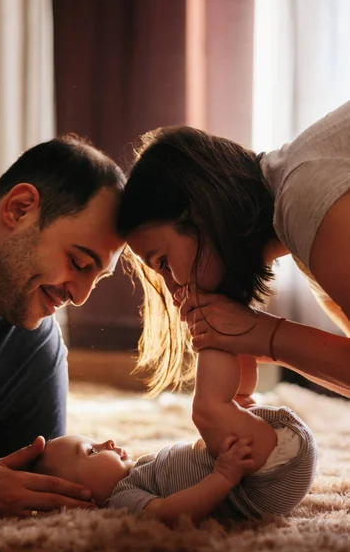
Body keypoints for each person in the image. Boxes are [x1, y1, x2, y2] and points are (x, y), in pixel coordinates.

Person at [0, 134, 126, 519]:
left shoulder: (34, 356)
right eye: (78, 262)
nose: (81, 295)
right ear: (20, 209)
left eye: (96, 279)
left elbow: (42, 490)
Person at [116, 100, 350, 412]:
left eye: (163, 263)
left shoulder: (305, 197)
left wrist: (263, 334)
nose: (174, 294)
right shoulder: (302, 216)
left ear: (199, 210)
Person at [30, 347, 317, 525]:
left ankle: (236, 339)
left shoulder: (141, 471)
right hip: (262, 482)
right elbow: (170, 514)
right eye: (91, 451)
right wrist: (224, 477)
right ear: (83, 497)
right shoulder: (121, 499)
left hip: (264, 453)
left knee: (238, 399)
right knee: (208, 409)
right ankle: (216, 337)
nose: (107, 442)